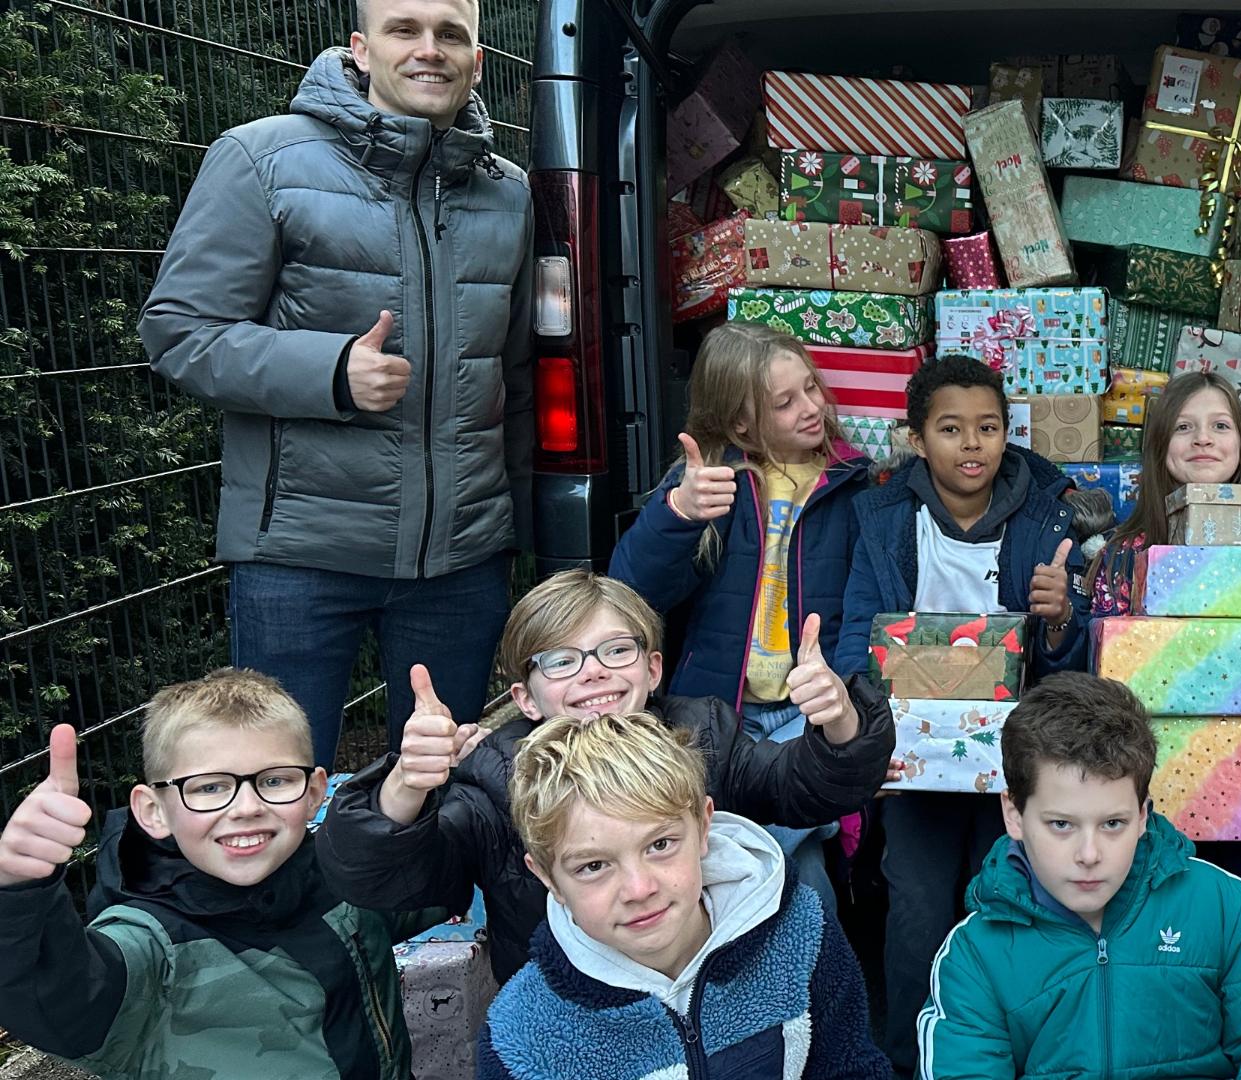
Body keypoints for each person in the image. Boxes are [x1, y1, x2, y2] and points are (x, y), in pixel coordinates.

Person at [139, 0, 533, 768]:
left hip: (461, 564)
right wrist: (330, 372)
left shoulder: (508, 191)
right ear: (360, 49)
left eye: (451, 34)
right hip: (298, 557)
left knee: (444, 793)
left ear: (478, 59)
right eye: (405, 30)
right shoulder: (262, 159)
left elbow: (512, 377)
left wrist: (515, 531)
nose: (430, 50)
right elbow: (179, 331)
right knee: (276, 784)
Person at [316, 569, 893, 984]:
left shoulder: (705, 732)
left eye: (615, 650)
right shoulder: (494, 777)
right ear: (526, 698)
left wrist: (838, 719)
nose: (592, 673)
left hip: (714, 989)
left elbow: (806, 787)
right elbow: (382, 879)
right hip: (568, 1008)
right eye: (562, 661)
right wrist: (407, 786)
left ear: (652, 668)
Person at [833, 353, 1090, 1075]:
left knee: (1006, 896)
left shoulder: (1048, 519)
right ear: (916, 438)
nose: (972, 444)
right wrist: (867, 729)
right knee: (915, 907)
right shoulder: (883, 519)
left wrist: (1060, 616)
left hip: (1015, 758)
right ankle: (909, 1058)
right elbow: (860, 632)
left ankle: (1004, 1054)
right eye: (950, 429)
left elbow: (1073, 661)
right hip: (914, 759)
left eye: (988, 427)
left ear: (1009, 433)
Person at [0, 670, 436, 1077]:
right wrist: (19, 889)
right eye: (209, 787)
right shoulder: (149, 944)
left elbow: (422, 886)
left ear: (314, 793)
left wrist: (424, 786)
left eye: (275, 780)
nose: (247, 808)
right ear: (153, 812)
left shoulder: (339, 876)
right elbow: (55, 1002)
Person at [915, 673, 1241, 1080]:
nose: (1089, 854)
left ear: (1142, 816)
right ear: (1014, 813)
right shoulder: (974, 955)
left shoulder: (1222, 906)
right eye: (1061, 825)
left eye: (1113, 824)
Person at [610, 322, 872, 905]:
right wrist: (675, 514)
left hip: (806, 709)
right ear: (739, 424)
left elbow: (864, 610)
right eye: (785, 402)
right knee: (801, 874)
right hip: (718, 712)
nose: (813, 408)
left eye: (812, 388)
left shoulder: (853, 487)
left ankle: (750, 847)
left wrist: (850, 692)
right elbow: (628, 596)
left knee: (776, 864)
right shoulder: (707, 483)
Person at [1082, 370, 1241, 945]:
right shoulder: (1124, 559)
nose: (1203, 439)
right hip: (1160, 797)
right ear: (1158, 447)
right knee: (1168, 955)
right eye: (1184, 427)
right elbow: (1102, 682)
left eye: (1220, 426)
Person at [479, 711, 889, 1079]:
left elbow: (850, 1066)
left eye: (660, 845)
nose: (639, 889)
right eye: (593, 866)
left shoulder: (802, 934)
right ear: (548, 878)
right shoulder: (520, 1037)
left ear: (704, 826)